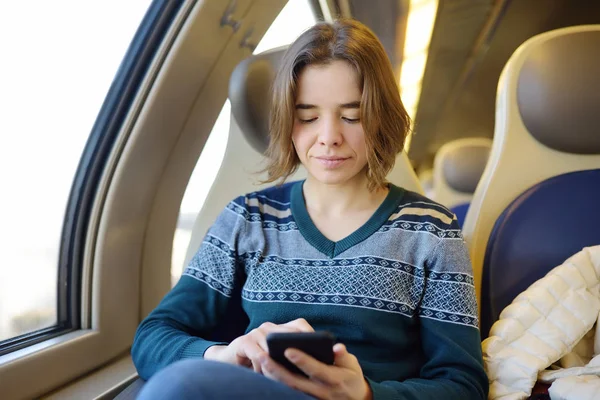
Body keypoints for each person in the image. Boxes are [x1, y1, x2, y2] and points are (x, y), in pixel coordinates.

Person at [132, 18, 488, 400]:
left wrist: (367, 394)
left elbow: (463, 384)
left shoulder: (431, 230)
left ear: (381, 117)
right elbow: (153, 337)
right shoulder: (247, 219)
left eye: (352, 116)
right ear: (288, 121)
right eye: (308, 117)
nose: (330, 137)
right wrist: (223, 355)